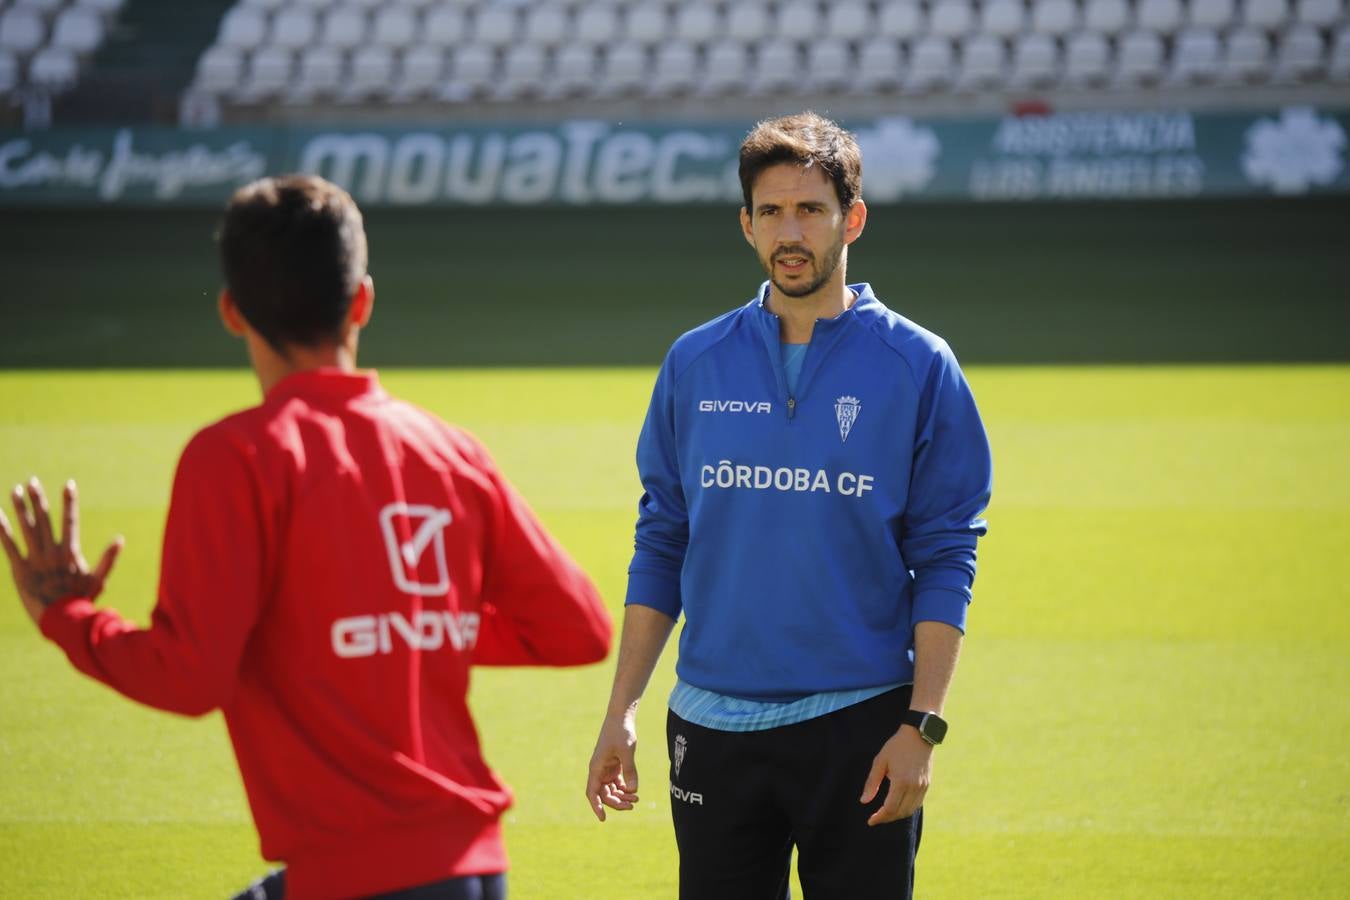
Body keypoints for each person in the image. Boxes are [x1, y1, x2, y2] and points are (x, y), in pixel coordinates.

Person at [0, 174, 613, 900]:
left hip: (358, 880)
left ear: (231, 311)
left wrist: (68, 619)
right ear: (363, 301)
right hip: (476, 867)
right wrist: (404, 628)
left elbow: (187, 676)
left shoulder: (237, 457)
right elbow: (580, 629)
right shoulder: (449, 449)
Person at [584, 112, 993, 899]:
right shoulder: (695, 361)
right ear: (746, 225)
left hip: (862, 727)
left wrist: (923, 727)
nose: (790, 231)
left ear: (854, 219)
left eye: (811, 209)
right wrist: (622, 710)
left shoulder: (919, 365)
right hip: (710, 727)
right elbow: (663, 539)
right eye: (771, 212)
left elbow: (947, 555)